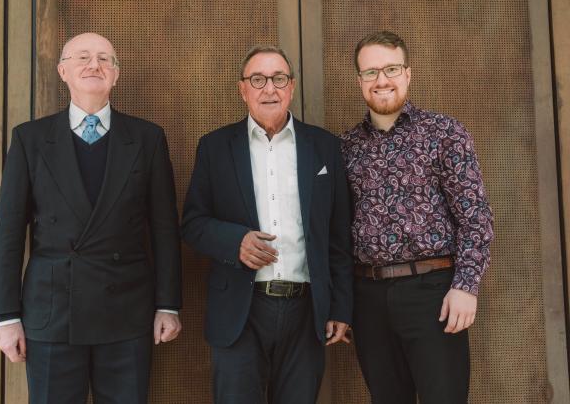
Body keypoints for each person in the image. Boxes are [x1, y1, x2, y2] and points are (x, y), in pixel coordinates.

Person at [0, 32, 182, 403]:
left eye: (104, 59)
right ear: (63, 71)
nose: (94, 65)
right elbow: (8, 233)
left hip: (127, 312)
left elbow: (164, 230)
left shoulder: (147, 138)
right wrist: (6, 316)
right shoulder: (30, 139)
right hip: (52, 313)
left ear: (116, 75)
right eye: (82, 57)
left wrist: (168, 305)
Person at [182, 45, 353, 404]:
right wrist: (235, 241)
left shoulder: (325, 147)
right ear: (242, 89)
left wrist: (339, 307)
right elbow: (193, 224)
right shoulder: (214, 147)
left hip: (306, 312)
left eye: (278, 78)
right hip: (240, 312)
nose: (269, 89)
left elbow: (338, 236)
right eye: (258, 80)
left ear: (292, 86)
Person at [341, 30, 494, 404]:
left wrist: (466, 286)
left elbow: (475, 217)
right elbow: (336, 231)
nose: (381, 80)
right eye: (371, 72)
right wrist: (341, 302)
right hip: (368, 298)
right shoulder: (345, 147)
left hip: (433, 293)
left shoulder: (444, 133)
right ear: (359, 80)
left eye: (391, 69)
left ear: (408, 73)